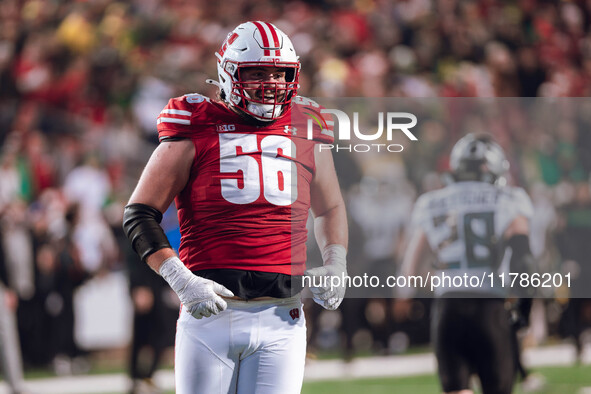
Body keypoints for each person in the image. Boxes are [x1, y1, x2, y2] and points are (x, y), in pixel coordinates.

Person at [123, 21, 348, 394]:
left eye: (280, 73)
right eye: (257, 72)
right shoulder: (196, 122)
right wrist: (180, 279)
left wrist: (336, 261)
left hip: (284, 316)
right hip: (210, 314)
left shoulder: (307, 126)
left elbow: (331, 207)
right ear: (228, 73)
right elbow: (139, 213)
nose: (271, 83)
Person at [401, 133, 536, 394]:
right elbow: (525, 263)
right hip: (490, 307)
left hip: (448, 308)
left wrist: (445, 280)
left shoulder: (431, 202)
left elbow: (410, 273)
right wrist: (524, 309)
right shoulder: (510, 199)